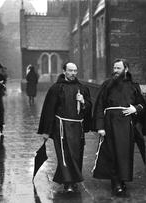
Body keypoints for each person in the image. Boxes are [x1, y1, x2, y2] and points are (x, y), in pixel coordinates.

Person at [92, 59, 146, 195]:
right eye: (114, 68)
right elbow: (100, 106)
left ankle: (123, 179)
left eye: (118, 68)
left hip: (126, 125)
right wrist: (100, 126)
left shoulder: (133, 86)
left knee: (125, 154)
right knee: (112, 153)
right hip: (110, 123)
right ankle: (116, 183)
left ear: (126, 69)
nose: (115, 71)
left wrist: (135, 109)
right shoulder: (107, 85)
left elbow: (143, 105)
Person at [37, 62, 92, 193]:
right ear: (64, 71)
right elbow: (49, 110)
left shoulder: (82, 88)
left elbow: (89, 107)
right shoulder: (56, 88)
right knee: (65, 155)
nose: (73, 73)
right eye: (70, 71)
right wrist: (46, 131)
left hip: (77, 127)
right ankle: (68, 183)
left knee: (76, 155)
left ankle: (72, 180)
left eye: (75, 71)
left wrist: (83, 101)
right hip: (61, 127)